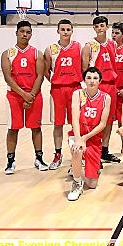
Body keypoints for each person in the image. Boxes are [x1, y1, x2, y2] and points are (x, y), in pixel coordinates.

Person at [1, 21, 46, 174]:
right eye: (22, 31)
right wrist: (23, 95)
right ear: (16, 33)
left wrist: (31, 95)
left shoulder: (37, 53)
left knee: (36, 128)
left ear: (31, 34)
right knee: (13, 129)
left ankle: (39, 158)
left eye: (28, 32)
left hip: (34, 95)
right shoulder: (8, 53)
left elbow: (40, 76)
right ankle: (10, 161)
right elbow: (8, 77)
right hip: (14, 96)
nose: (25, 34)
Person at [66, 67, 111, 201]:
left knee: (92, 184)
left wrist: (85, 138)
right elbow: (74, 117)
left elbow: (103, 124)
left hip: (93, 138)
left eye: (95, 78)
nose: (92, 81)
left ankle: (77, 168)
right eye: (89, 78)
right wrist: (79, 138)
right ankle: (77, 182)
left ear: (100, 81)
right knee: (77, 150)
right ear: (84, 80)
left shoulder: (105, 98)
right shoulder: (78, 94)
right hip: (77, 134)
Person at [44, 19, 82, 170]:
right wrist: (55, 80)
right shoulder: (50, 49)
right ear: (58, 31)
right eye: (63, 29)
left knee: (76, 123)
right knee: (58, 124)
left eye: (68, 29)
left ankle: (78, 154)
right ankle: (58, 154)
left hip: (74, 88)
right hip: (58, 89)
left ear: (72, 31)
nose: (65, 32)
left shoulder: (78, 47)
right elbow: (46, 70)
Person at [81, 16, 120, 163]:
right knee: (95, 119)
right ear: (94, 28)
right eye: (97, 26)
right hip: (97, 86)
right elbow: (85, 69)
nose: (100, 28)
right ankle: (92, 150)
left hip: (111, 85)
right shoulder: (89, 46)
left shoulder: (113, 44)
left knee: (109, 120)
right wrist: (89, 87)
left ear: (107, 27)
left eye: (102, 25)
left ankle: (105, 150)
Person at [112, 22, 123, 126]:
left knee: (122, 121)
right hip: (110, 89)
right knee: (105, 120)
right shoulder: (108, 48)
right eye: (113, 32)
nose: (114, 35)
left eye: (117, 33)